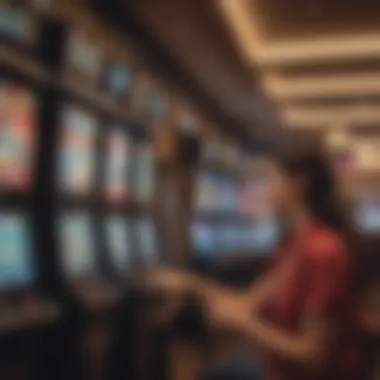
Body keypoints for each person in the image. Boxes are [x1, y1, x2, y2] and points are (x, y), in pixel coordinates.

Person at [142, 145, 366, 380]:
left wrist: (247, 326)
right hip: (276, 369)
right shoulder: (290, 245)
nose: (266, 190)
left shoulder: (324, 250)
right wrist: (190, 284)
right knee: (190, 347)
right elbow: (248, 302)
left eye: (272, 179)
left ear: (299, 183)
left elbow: (312, 355)